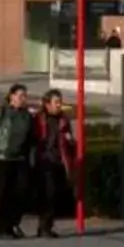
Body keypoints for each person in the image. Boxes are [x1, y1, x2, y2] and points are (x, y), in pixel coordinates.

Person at [0, 82, 36, 238]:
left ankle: (14, 223)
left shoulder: (26, 116)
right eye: (19, 95)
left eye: (24, 96)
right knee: (4, 196)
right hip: (2, 158)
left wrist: (30, 158)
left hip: (19, 159)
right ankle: (3, 229)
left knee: (20, 193)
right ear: (11, 96)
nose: (22, 99)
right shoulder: (2, 112)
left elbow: (31, 140)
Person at [32, 92, 77, 237]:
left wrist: (70, 140)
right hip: (44, 161)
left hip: (59, 160)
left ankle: (45, 226)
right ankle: (44, 227)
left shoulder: (63, 119)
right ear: (47, 104)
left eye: (60, 102)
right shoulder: (39, 119)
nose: (59, 105)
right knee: (47, 194)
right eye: (56, 102)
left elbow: (69, 141)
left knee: (55, 194)